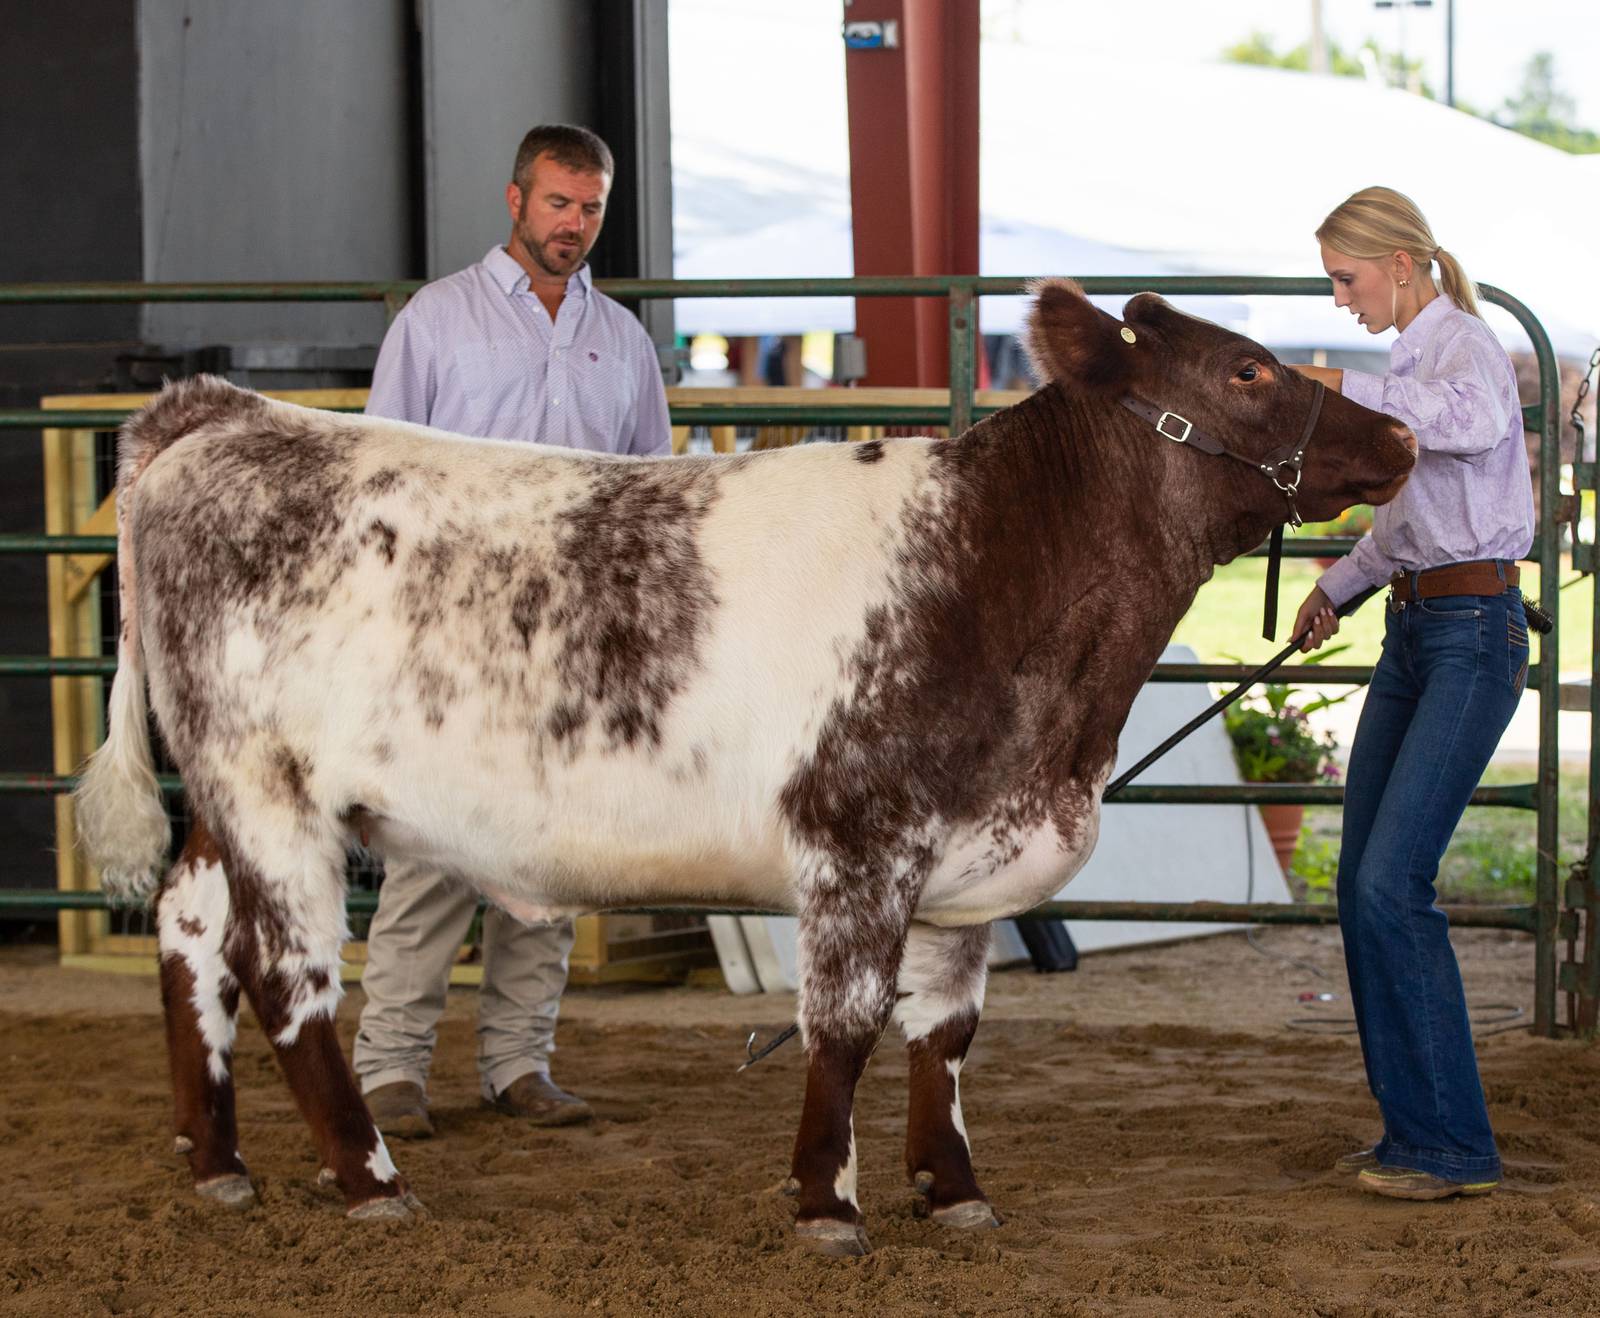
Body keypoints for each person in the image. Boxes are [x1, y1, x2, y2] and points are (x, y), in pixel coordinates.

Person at [355, 123, 672, 1137]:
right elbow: (380, 472)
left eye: (589, 209)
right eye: (557, 204)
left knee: (550, 861)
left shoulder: (621, 340)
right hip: (455, 639)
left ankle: (517, 1063)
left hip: (575, 642)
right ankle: (390, 1071)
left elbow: (652, 491)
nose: (573, 225)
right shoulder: (436, 322)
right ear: (514, 200)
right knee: (434, 855)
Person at [1289, 186, 1535, 1201]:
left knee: (1391, 881)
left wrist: (1333, 390)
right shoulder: (1410, 356)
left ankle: (1452, 1145)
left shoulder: (1461, 346)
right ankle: (1413, 1132)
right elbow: (1402, 524)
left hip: (1471, 633)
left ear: (1399, 261)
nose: (1340, 298)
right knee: (1364, 883)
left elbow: (1473, 430)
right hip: (1421, 627)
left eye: (1344, 279)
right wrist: (1334, 588)